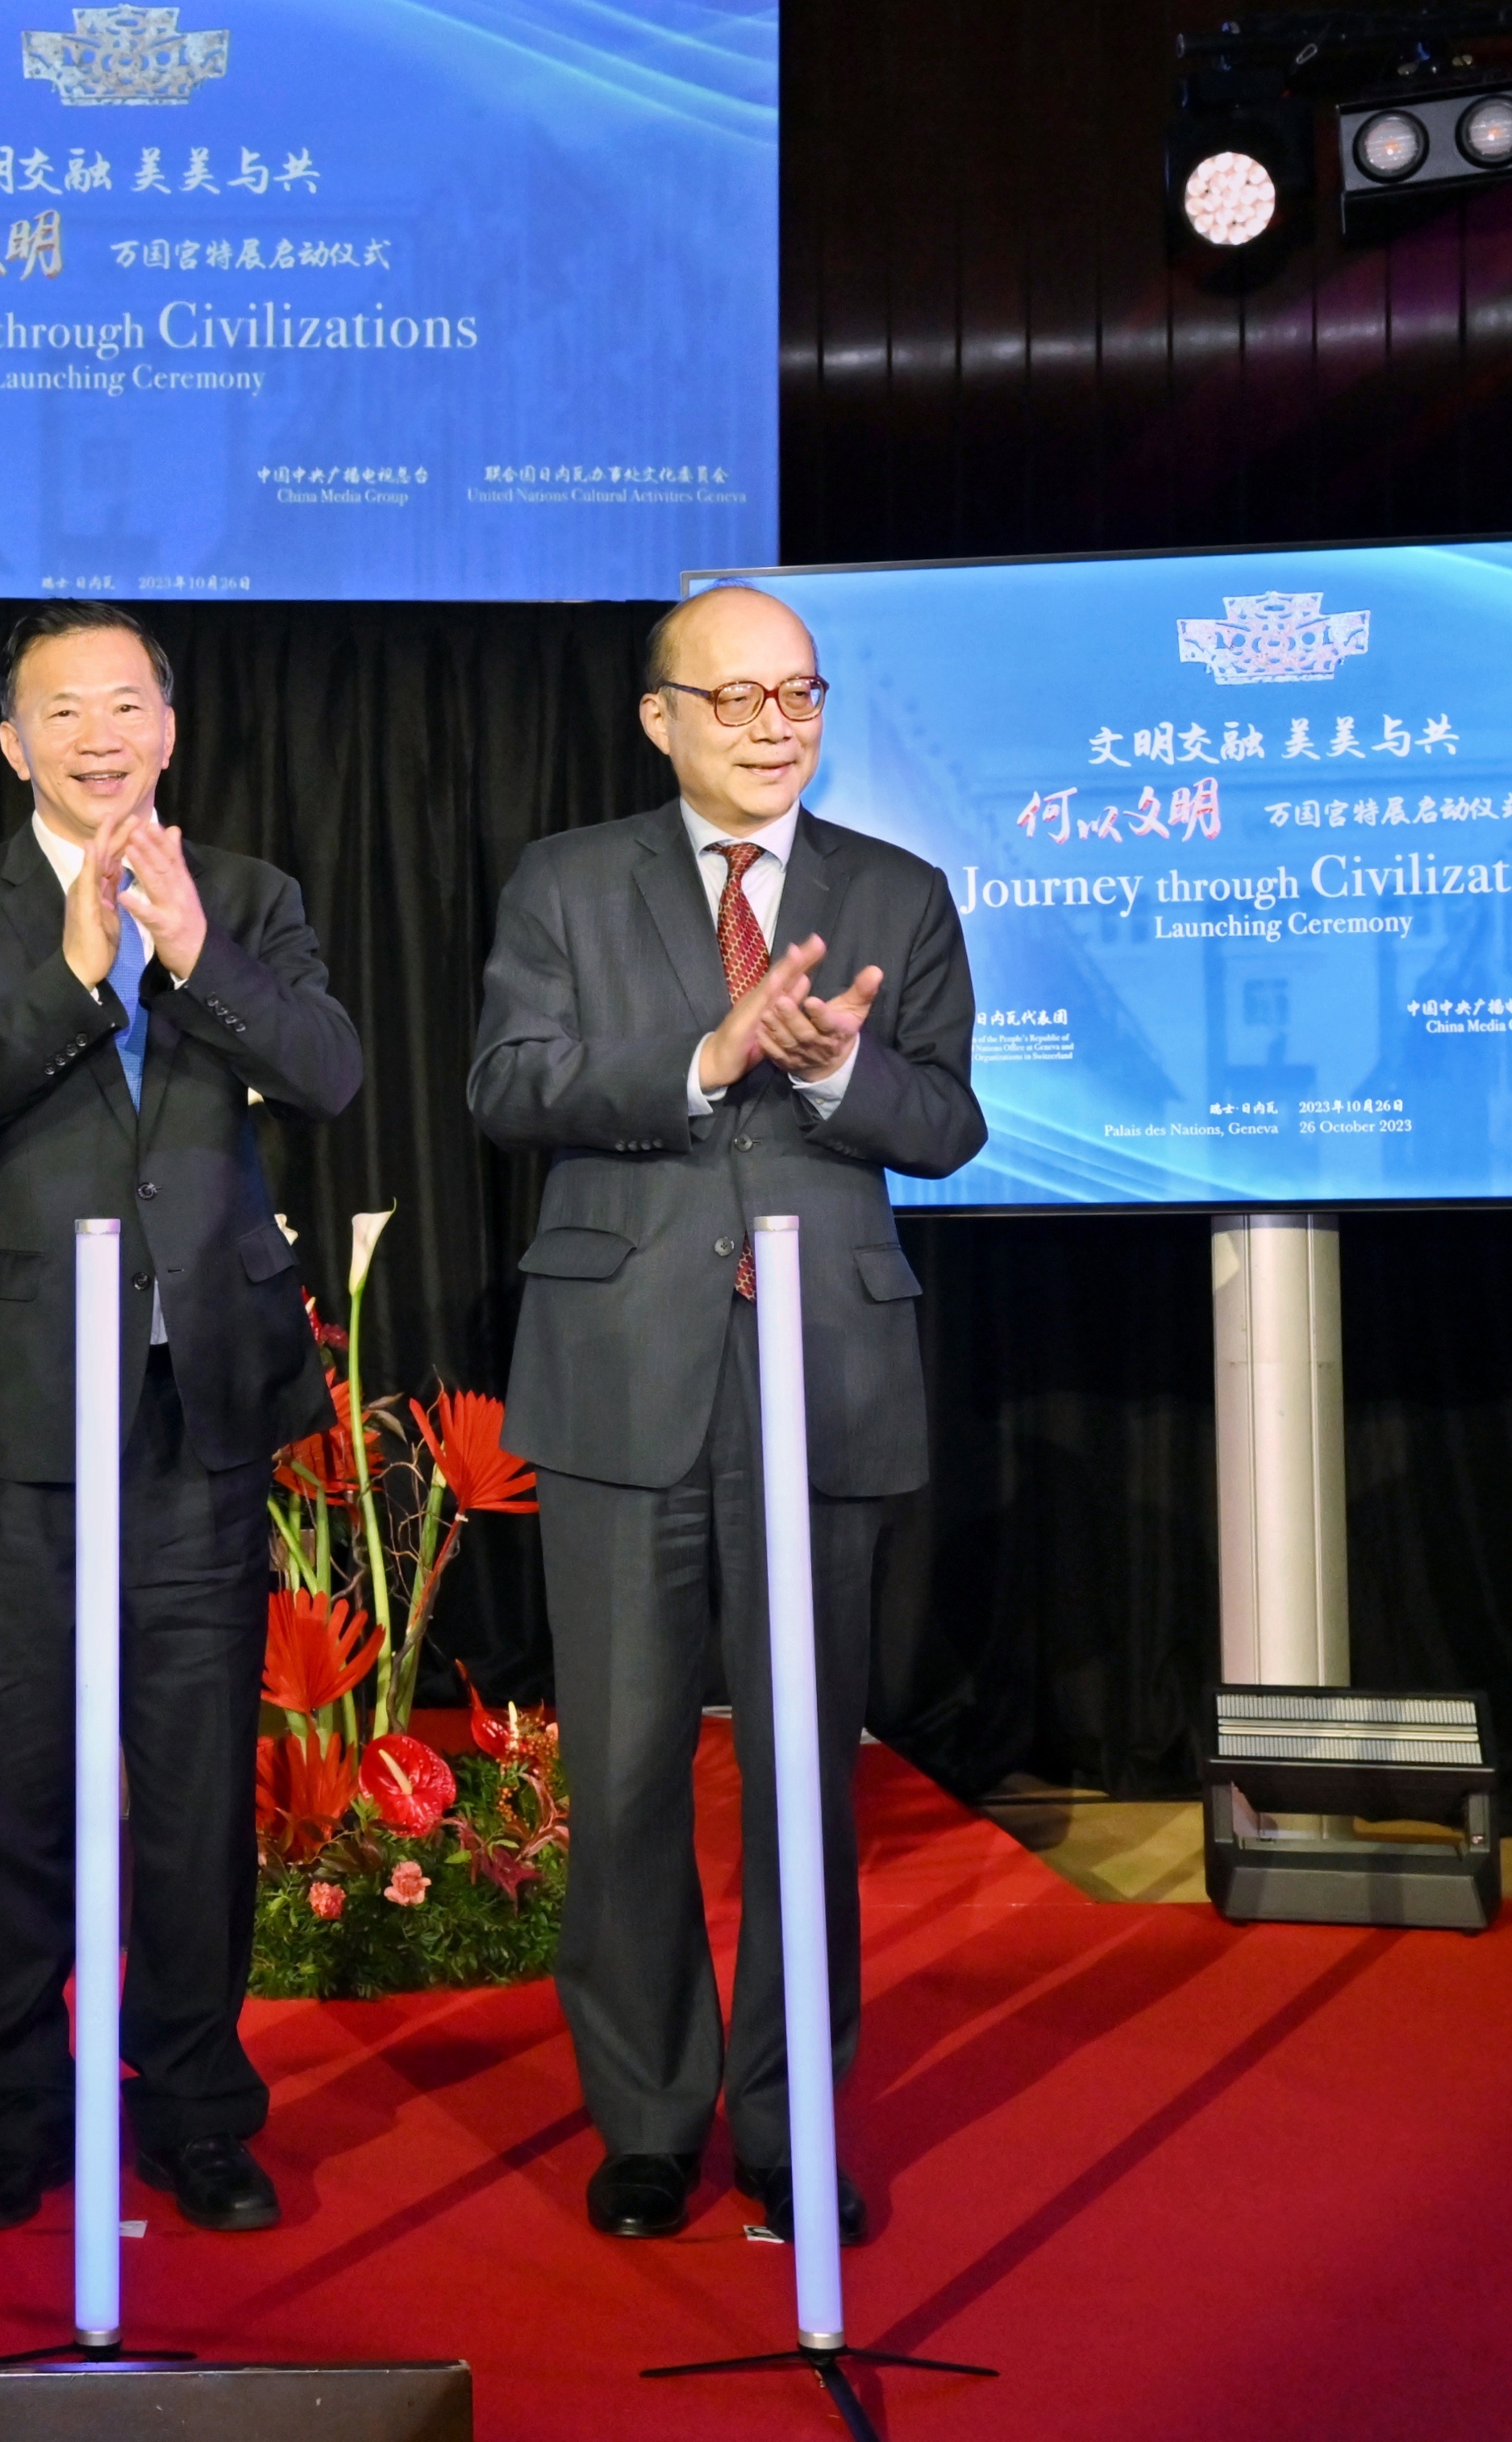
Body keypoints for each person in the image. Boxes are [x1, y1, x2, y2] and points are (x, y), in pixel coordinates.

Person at [464, 582, 982, 2245]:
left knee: (802, 1781)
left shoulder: (896, 890)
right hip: (624, 1368)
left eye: (798, 695)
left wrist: (828, 1069)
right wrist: (707, 1053)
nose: (774, 725)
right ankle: (645, 2119)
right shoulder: (568, 880)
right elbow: (509, 1084)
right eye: (737, 697)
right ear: (660, 718)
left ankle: (788, 2118)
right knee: (623, 1774)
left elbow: (950, 1122)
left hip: (822, 1369)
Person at [0, 604, 363, 2238]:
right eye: (63, 710)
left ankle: (199, 2108)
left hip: (194, 1403)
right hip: (17, 1409)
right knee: (4, 1780)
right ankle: (16, 2110)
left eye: (127, 705)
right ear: (12, 742)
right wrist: (80, 974)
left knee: (198, 1781)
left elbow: (329, 1073)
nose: (100, 735)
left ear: (170, 726)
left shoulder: (251, 893)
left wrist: (196, 954)